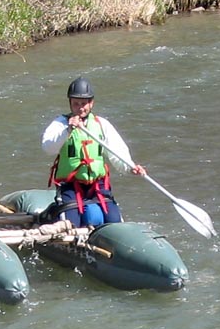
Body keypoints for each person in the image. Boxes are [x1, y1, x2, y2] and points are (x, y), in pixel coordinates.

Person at [40, 76, 146, 228]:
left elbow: (117, 150)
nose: (80, 107)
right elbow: (47, 147)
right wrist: (68, 130)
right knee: (71, 224)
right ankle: (55, 216)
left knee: (113, 221)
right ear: (70, 103)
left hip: (98, 184)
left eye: (84, 103)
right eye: (76, 103)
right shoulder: (60, 123)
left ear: (91, 103)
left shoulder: (101, 124)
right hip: (70, 185)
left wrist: (131, 167)